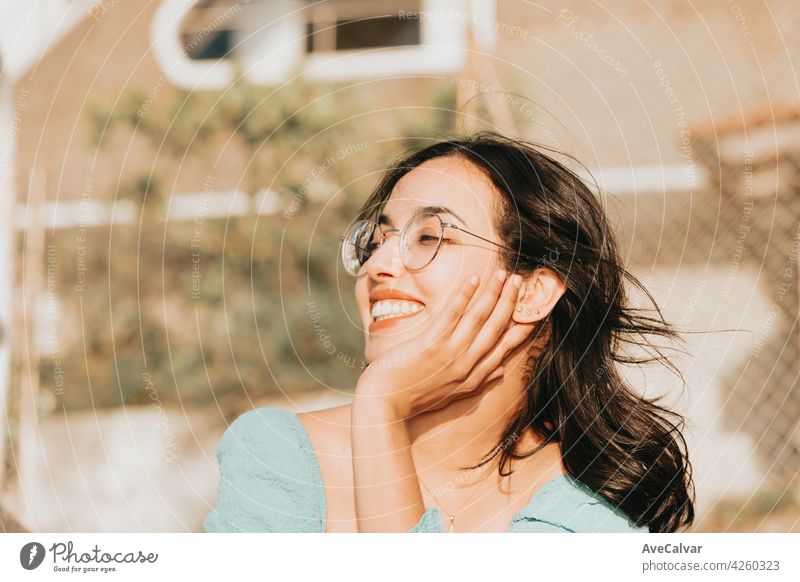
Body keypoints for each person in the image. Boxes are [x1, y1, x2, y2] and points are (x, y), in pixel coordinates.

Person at [204, 132, 695, 533]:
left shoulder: (586, 515)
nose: (378, 265)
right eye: (375, 241)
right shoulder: (278, 454)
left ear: (532, 293)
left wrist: (379, 410)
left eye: (430, 237)